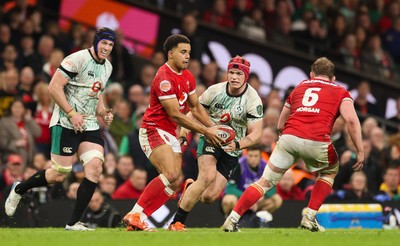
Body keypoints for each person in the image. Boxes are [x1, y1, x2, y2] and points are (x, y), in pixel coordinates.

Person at [222, 57, 364, 232]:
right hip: (317, 139)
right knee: (329, 172)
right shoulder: (341, 91)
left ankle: (232, 219)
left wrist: (288, 141)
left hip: (289, 137)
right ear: (333, 78)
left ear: (312, 75)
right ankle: (309, 217)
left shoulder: (300, 87)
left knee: (265, 182)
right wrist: (359, 149)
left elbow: (280, 124)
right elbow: (351, 120)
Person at [4, 27, 116, 231]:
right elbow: (53, 87)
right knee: (59, 174)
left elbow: (97, 92)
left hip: (88, 123)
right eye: (104, 43)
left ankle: (73, 223)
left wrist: (103, 112)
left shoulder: (107, 67)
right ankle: (19, 189)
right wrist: (72, 113)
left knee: (95, 168)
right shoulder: (76, 59)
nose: (107, 48)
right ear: (95, 42)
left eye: (111, 45)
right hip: (65, 121)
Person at [122, 34, 221, 232]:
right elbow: (176, 115)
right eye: (183, 52)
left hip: (169, 132)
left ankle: (138, 219)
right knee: (171, 173)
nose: (187, 57)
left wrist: (213, 127)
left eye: (189, 53)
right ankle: (134, 214)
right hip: (153, 129)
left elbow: (195, 107)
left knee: (175, 181)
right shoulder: (164, 78)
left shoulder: (188, 76)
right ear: (170, 53)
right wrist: (205, 131)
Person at [168, 55, 263, 231]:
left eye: (239, 74)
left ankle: (190, 188)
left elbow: (256, 134)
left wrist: (237, 145)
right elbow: (194, 112)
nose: (234, 77)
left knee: (209, 197)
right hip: (210, 138)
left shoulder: (253, 99)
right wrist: (183, 133)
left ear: (246, 77)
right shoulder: (214, 91)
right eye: (231, 72)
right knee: (207, 177)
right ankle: (176, 223)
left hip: (233, 149)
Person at [221, 145, 282, 227]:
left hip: (257, 202)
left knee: (277, 199)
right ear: (246, 155)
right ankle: (229, 220)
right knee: (229, 199)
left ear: (260, 156)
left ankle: (259, 218)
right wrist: (249, 200)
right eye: (250, 156)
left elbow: (273, 189)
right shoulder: (239, 165)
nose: (253, 159)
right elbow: (230, 189)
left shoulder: (265, 167)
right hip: (239, 201)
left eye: (256, 156)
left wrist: (258, 198)